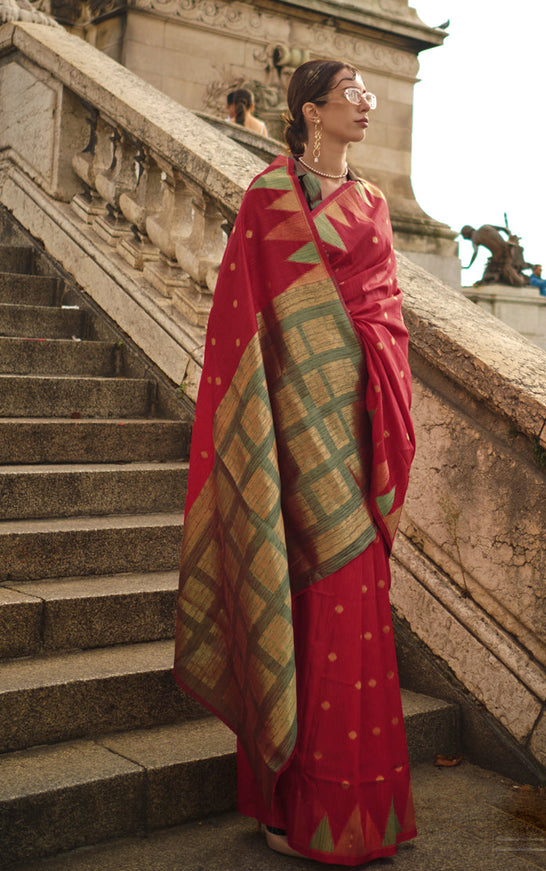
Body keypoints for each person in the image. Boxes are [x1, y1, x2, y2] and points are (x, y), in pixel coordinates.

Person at [174, 58, 416, 865]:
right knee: (290, 595)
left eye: (369, 94)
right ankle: (289, 802)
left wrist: (357, 358)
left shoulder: (375, 204)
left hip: (352, 425)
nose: (366, 104)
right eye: (351, 93)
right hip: (279, 430)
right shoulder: (268, 198)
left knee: (350, 599)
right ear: (311, 110)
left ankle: (353, 812)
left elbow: (386, 309)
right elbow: (238, 323)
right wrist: (272, 409)